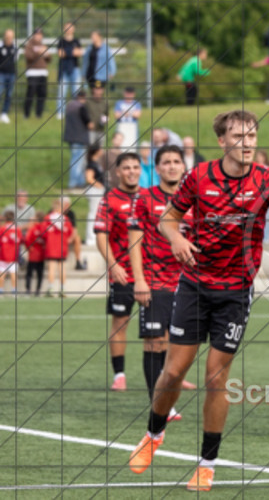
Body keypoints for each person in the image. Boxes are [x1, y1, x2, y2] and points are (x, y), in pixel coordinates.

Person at [127, 110, 269, 491]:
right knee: (173, 371)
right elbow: (167, 219)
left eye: (252, 136)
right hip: (195, 285)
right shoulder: (200, 175)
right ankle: (153, 434)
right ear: (222, 141)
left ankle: (207, 464)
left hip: (236, 292)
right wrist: (176, 237)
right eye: (239, 136)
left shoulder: (266, 178)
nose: (247, 143)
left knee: (215, 376)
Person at [128, 145, 198, 420]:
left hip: (187, 284)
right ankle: (158, 405)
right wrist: (139, 280)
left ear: (183, 166)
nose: (171, 166)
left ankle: (166, 397)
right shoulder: (145, 198)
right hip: (155, 282)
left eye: (176, 161)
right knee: (154, 343)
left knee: (178, 345)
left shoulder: (194, 200)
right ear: (157, 168)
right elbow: (134, 241)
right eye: (166, 162)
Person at [94, 152, 142, 392]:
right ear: (119, 172)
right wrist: (113, 265)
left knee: (164, 327)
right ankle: (119, 375)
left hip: (153, 274)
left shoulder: (149, 196)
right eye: (126, 167)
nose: (131, 171)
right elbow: (101, 236)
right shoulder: (110, 200)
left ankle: (169, 376)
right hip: (123, 275)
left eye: (135, 167)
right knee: (120, 324)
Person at [43, 199, 74, 297]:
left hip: (51, 246)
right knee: (62, 268)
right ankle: (62, 289)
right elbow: (70, 232)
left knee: (52, 268)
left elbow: (43, 233)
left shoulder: (48, 218)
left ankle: (51, 288)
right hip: (62, 246)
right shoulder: (65, 219)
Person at [56, 22, 84, 118]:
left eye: (70, 27)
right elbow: (60, 54)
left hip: (75, 69)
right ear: (64, 29)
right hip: (64, 69)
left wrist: (66, 51)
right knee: (62, 91)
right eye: (67, 27)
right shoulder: (61, 41)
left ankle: (76, 111)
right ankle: (60, 112)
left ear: (74, 29)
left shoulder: (76, 41)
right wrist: (72, 51)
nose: (69, 29)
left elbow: (79, 53)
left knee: (76, 91)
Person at [64, 89, 90, 189]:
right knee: (78, 162)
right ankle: (74, 183)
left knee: (75, 160)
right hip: (80, 138)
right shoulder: (81, 107)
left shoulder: (69, 106)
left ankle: (79, 182)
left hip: (70, 138)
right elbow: (88, 123)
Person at [23, 29, 50, 119]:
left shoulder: (43, 45)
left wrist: (46, 54)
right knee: (30, 94)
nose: (39, 36)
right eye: (37, 34)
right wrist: (38, 52)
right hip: (32, 73)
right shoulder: (29, 45)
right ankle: (26, 114)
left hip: (43, 73)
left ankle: (39, 114)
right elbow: (28, 57)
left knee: (42, 94)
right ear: (34, 35)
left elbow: (49, 59)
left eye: (40, 34)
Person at [83, 144, 106, 246]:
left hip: (98, 190)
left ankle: (94, 236)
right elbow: (89, 178)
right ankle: (90, 237)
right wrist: (99, 185)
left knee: (97, 213)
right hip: (94, 190)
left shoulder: (96, 163)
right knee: (93, 213)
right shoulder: (91, 164)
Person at [0, 210, 24, 295]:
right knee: (13, 273)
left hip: (3, 254)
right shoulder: (17, 229)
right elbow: (21, 240)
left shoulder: (2, 229)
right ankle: (14, 290)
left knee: (2, 273)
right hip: (14, 255)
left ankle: (1, 289)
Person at [24, 211, 47, 296]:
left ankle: (28, 290)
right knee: (39, 274)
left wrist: (29, 248)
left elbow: (27, 239)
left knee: (29, 273)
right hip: (41, 255)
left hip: (33, 255)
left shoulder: (33, 228)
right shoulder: (44, 228)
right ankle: (38, 290)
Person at [0, 29, 17, 123]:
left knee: (9, 94)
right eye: (8, 36)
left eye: (11, 36)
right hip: (1, 74)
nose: (9, 38)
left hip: (11, 74)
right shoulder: (0, 46)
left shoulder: (15, 47)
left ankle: (4, 113)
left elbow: (15, 60)